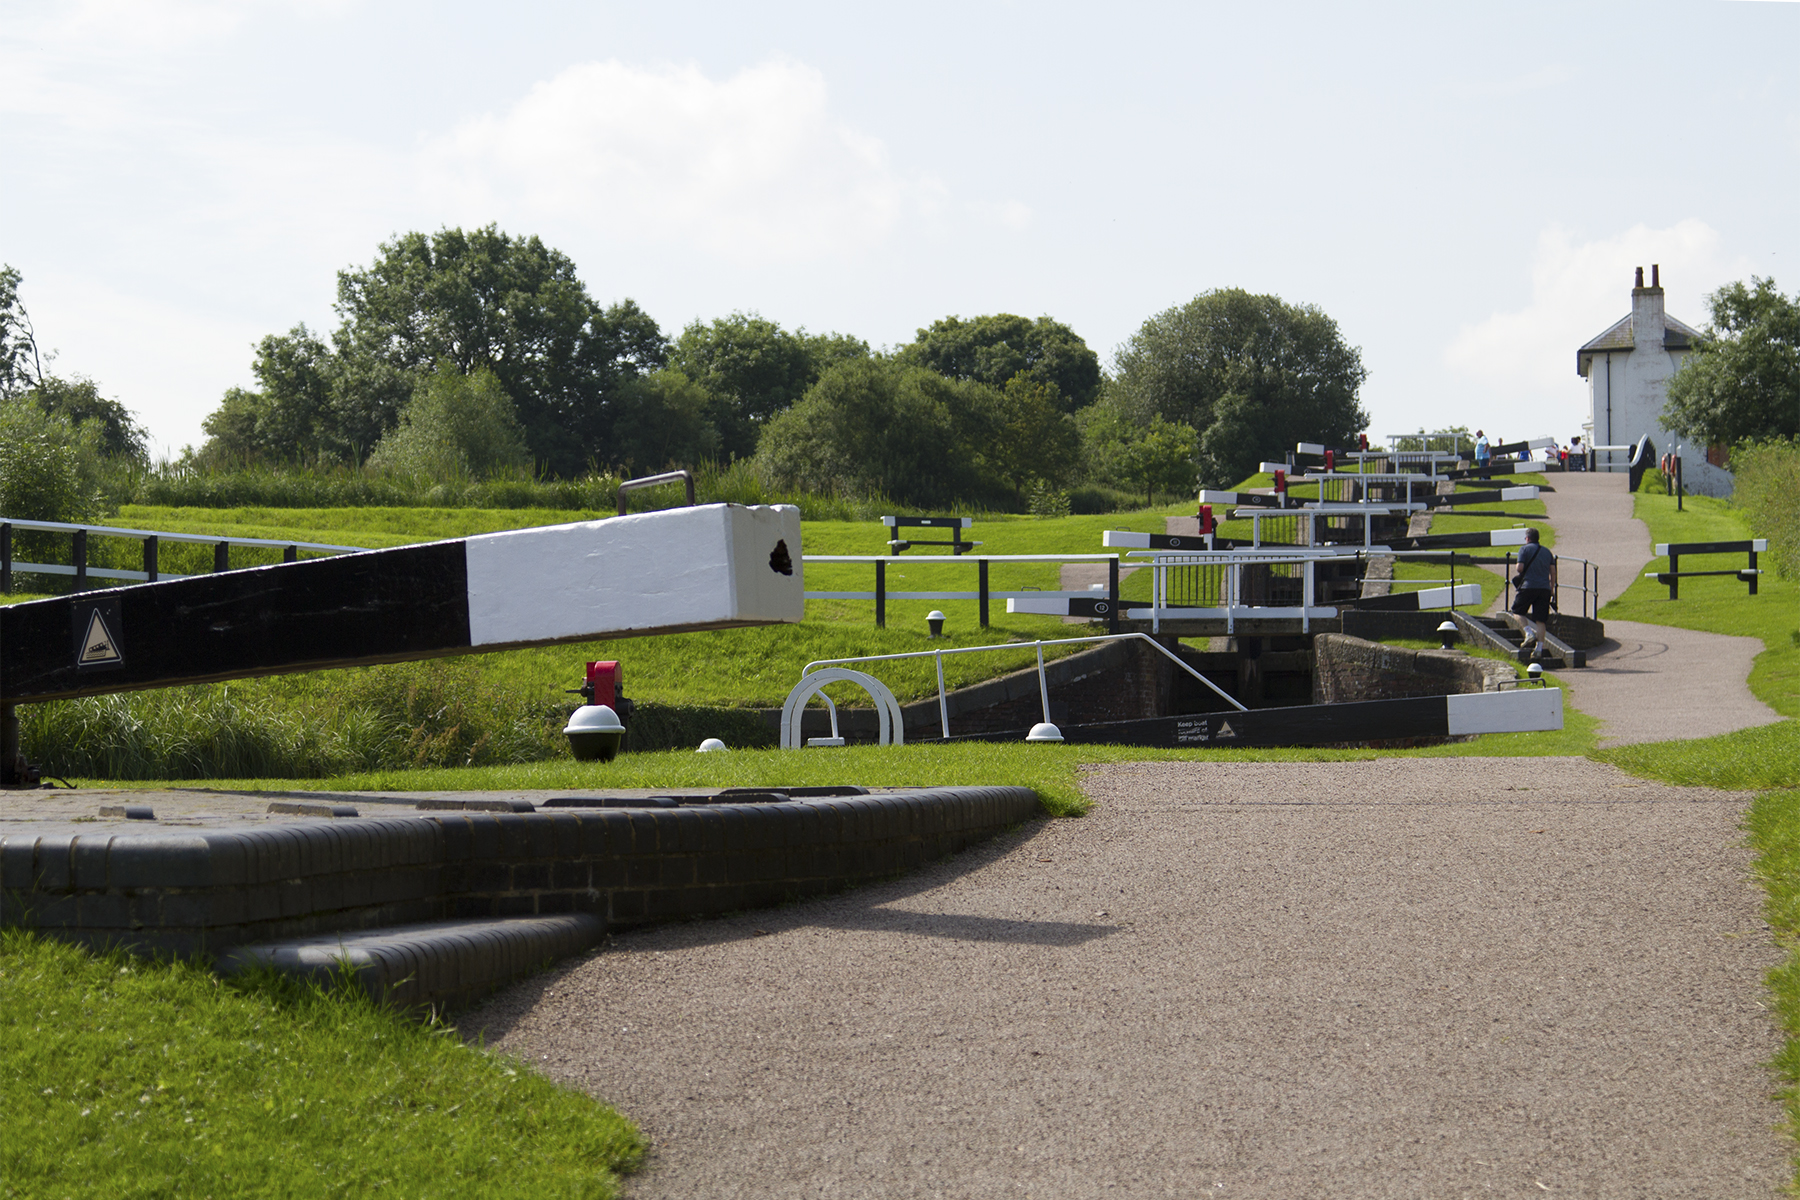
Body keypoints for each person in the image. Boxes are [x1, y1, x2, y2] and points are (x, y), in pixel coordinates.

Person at [1511, 527, 1557, 661]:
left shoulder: (1524, 549)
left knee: (1517, 611)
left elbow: (1520, 568)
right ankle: (1539, 649)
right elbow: (1553, 572)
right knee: (1541, 620)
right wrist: (1551, 588)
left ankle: (1528, 633)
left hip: (1528, 586)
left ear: (1527, 538)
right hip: (1544, 589)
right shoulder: (1547, 552)